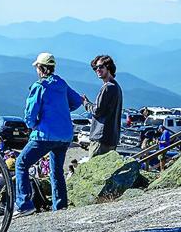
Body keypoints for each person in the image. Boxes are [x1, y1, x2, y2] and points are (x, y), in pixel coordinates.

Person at [14, 53, 83, 217]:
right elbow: (77, 101)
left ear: (41, 68)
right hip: (65, 136)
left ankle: (24, 204)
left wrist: (33, 125)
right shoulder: (61, 83)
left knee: (21, 163)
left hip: (44, 135)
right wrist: (62, 111)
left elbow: (30, 114)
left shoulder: (40, 86)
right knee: (56, 171)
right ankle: (60, 206)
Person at [82, 55, 123, 158]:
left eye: (101, 67)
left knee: (94, 167)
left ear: (108, 67)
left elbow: (97, 111)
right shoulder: (116, 87)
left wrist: (85, 103)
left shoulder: (107, 87)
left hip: (101, 138)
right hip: (111, 138)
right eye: (95, 68)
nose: (97, 70)